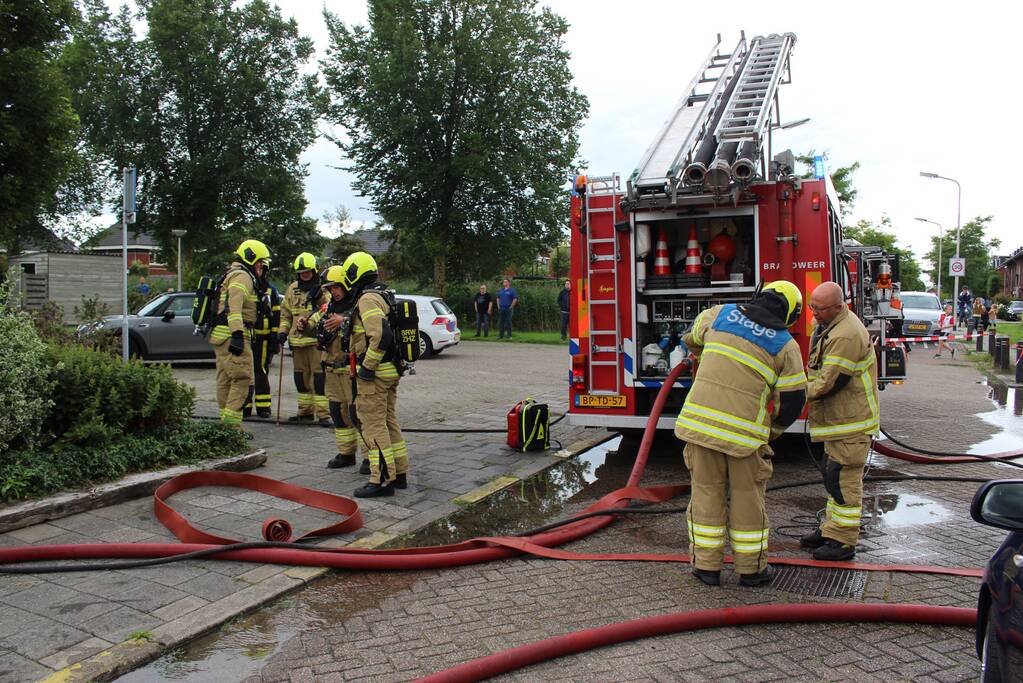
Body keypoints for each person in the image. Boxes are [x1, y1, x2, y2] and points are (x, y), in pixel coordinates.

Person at [674, 280, 807, 587]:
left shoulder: (720, 314)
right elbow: (794, 400)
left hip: (700, 427)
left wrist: (704, 354)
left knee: (706, 494)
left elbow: (691, 337)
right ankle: (752, 571)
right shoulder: (786, 345)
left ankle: (706, 568)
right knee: (748, 499)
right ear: (791, 315)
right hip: (746, 439)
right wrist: (770, 431)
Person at [801, 281, 879, 561]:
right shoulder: (830, 324)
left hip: (851, 423)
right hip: (838, 421)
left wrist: (790, 392)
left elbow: (828, 382)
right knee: (832, 475)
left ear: (838, 306)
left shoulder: (846, 335)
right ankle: (831, 530)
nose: (814, 313)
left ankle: (844, 541)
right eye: (812, 307)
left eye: (819, 309)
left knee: (843, 481)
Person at [341, 251, 409, 497]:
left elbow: (381, 335)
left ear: (352, 274)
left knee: (372, 426)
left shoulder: (368, 299)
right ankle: (399, 474)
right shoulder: (384, 295)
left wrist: (367, 367)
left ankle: (380, 480)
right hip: (390, 370)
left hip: (376, 374)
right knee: (389, 422)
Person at [209, 239, 271, 427]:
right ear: (250, 258)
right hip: (234, 334)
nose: (262, 265)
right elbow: (233, 308)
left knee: (225, 379)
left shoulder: (231, 273)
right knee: (243, 378)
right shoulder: (243, 276)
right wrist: (237, 335)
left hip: (221, 335)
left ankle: (225, 427)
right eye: (260, 261)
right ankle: (231, 428)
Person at [318, 265, 363, 469]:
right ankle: (346, 454)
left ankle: (371, 458)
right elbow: (313, 322)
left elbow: (366, 327)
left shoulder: (358, 306)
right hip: (332, 369)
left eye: (337, 287)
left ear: (346, 286)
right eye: (330, 288)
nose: (333, 292)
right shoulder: (328, 308)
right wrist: (302, 323)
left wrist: (344, 321)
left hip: (351, 371)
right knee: (337, 411)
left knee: (358, 414)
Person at [279, 253, 330, 424]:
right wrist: (282, 332)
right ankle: (305, 412)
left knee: (319, 379)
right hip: (297, 343)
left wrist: (318, 303)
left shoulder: (323, 289)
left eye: (308, 272)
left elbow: (328, 309)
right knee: (300, 379)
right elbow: (285, 314)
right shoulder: (292, 289)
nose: (304, 275)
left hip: (316, 343)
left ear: (314, 271)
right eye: (301, 273)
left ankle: (324, 415)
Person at [243, 280, 281, 418]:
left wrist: (274, 337)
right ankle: (245, 406)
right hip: (246, 336)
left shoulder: (270, 289)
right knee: (245, 371)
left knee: (261, 371)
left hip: (263, 339)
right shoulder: (246, 286)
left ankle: (263, 406)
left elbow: (277, 315)